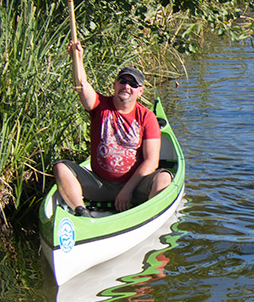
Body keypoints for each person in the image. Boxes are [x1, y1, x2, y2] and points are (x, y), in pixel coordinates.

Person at [52, 40, 172, 216]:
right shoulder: (99, 105)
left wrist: (127, 190)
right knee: (61, 167)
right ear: (115, 85)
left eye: (133, 84)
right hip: (100, 184)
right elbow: (81, 84)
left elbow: (151, 162)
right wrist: (76, 58)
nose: (126, 87)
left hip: (135, 186)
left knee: (164, 178)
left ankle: (148, 216)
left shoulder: (147, 117)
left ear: (141, 91)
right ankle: (81, 212)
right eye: (123, 81)